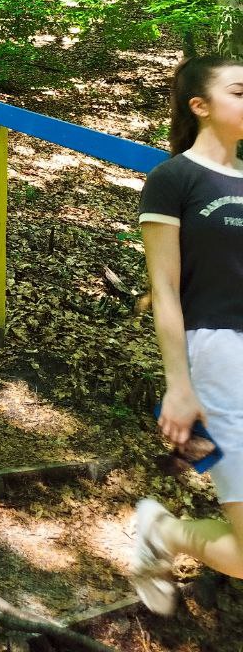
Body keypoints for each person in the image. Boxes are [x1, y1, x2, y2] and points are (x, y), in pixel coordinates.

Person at [130, 55, 243, 613]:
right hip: (217, 354)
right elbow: (165, 290)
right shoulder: (173, 179)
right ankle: (163, 532)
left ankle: (163, 532)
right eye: (239, 91)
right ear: (200, 106)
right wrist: (178, 384)